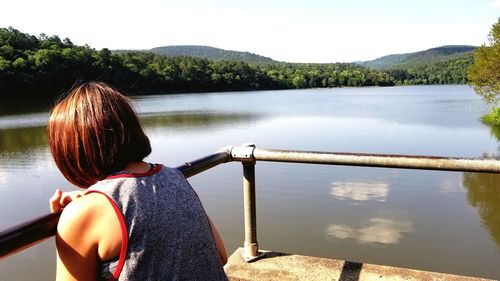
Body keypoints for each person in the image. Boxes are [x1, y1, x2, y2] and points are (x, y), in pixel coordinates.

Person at [48, 82, 228, 281]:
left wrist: (77, 214)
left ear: (71, 151)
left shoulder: (83, 215)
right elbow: (221, 255)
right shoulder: (176, 178)